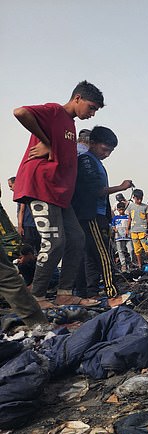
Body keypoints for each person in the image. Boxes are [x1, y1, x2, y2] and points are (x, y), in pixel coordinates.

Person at [12, 80, 104, 308]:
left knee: (76, 238)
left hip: (61, 196)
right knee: (54, 241)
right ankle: (37, 295)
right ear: (78, 99)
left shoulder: (70, 125)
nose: (92, 114)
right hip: (42, 188)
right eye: (91, 107)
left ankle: (64, 293)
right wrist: (46, 141)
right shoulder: (55, 111)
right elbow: (20, 112)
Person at [72, 126, 133, 303]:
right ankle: (112, 293)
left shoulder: (96, 162)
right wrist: (120, 188)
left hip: (98, 213)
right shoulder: (86, 161)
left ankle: (88, 292)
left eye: (110, 151)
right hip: (90, 215)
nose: (107, 154)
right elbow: (94, 191)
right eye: (105, 149)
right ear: (92, 143)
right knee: (103, 255)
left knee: (92, 256)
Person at [0, 242, 47, 326]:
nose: (21, 260)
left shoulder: (39, 263)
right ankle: (39, 324)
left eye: (22, 257)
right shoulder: (23, 266)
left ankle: (39, 324)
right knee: (6, 276)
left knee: (6, 276)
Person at [8, 176, 41, 253]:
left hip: (28, 225)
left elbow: (21, 210)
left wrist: (20, 226)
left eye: (11, 186)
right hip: (37, 224)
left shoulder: (22, 194)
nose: (10, 189)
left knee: (28, 249)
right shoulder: (31, 192)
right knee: (38, 248)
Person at [128, 189, 148, 269]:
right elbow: (130, 219)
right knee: (137, 250)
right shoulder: (130, 206)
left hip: (143, 231)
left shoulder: (145, 207)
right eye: (138, 198)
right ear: (134, 197)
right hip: (133, 231)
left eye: (141, 198)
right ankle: (140, 265)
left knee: (147, 248)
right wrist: (127, 229)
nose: (140, 200)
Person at [112, 202, 134, 272]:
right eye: (120, 209)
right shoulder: (115, 218)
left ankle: (131, 262)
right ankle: (123, 264)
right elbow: (113, 226)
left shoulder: (128, 217)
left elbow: (131, 225)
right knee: (120, 251)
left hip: (127, 236)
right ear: (117, 210)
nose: (121, 211)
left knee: (131, 250)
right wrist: (115, 229)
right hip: (118, 236)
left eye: (122, 209)